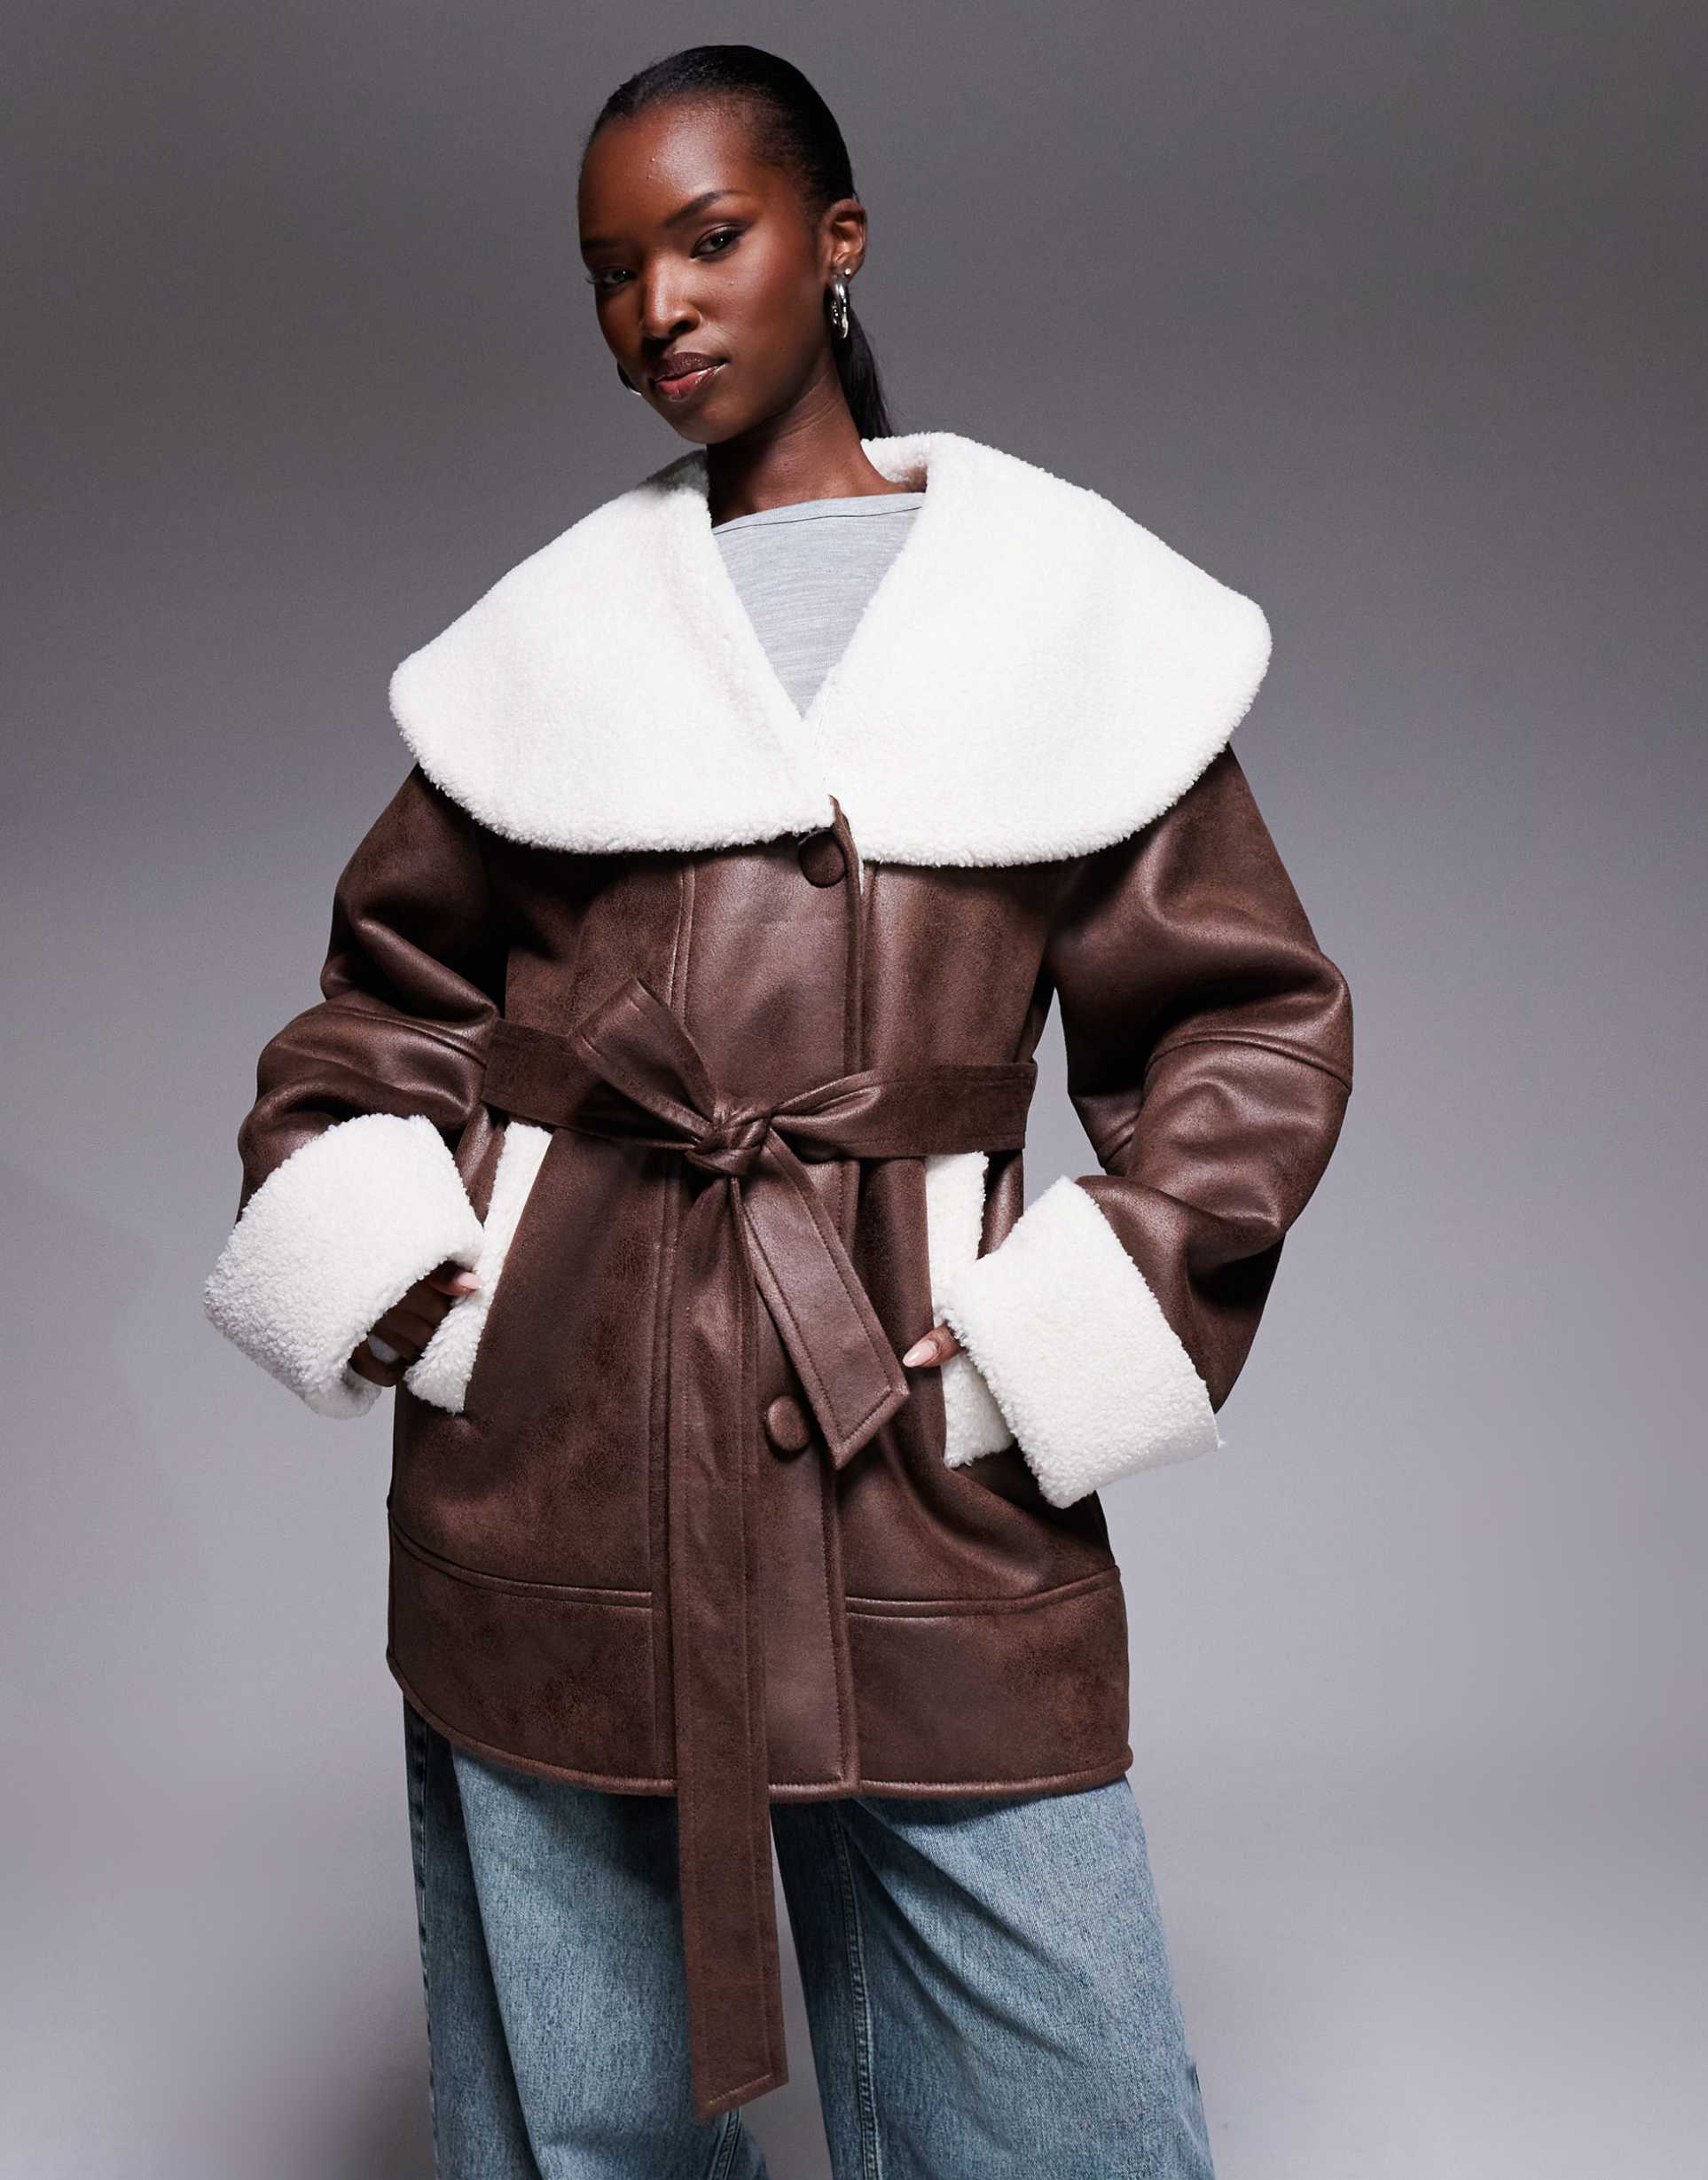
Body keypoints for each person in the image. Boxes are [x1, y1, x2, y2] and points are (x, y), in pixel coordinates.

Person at [202, 40, 1353, 2180]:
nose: (658, 306)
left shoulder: (1067, 612)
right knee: (591, 2127)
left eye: (709, 237)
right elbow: (379, 1008)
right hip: (556, 1461)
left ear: (836, 241)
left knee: (1078, 2118)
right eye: (608, 269)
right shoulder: (545, 644)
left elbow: (1249, 1027)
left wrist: (1063, 1319)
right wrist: (402, 1264)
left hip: (910, 1430)